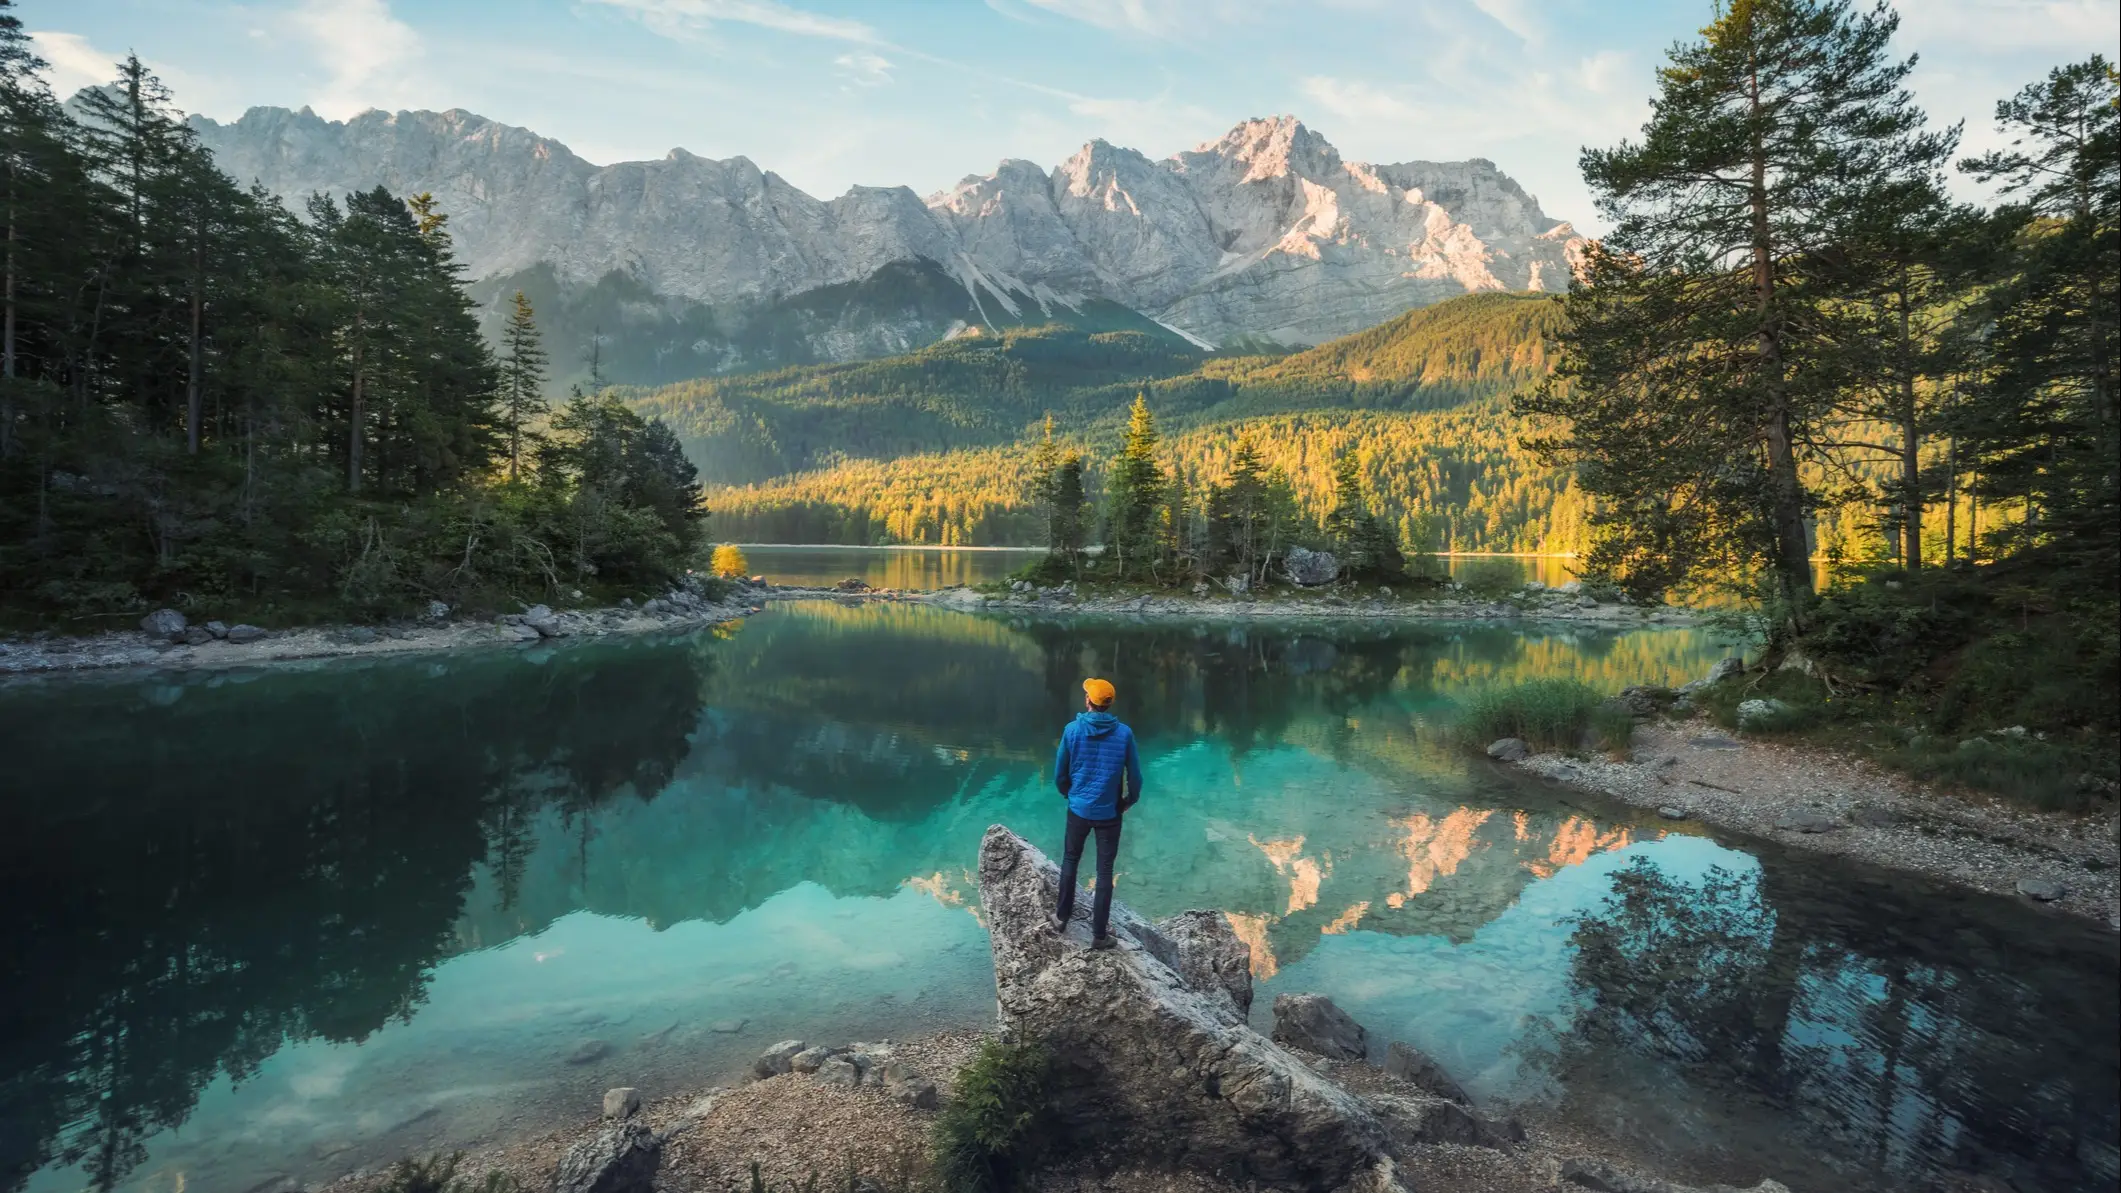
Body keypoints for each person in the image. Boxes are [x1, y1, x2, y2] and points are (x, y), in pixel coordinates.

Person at [1049, 676, 1142, 949]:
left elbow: (1060, 774)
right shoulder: (1124, 734)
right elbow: (1135, 776)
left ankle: (1061, 917)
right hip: (1110, 813)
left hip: (1078, 808)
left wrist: (1069, 793)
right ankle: (1099, 934)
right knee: (1104, 872)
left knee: (1070, 860)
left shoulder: (1072, 730)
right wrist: (1129, 800)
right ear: (1108, 704)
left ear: (1088, 701)